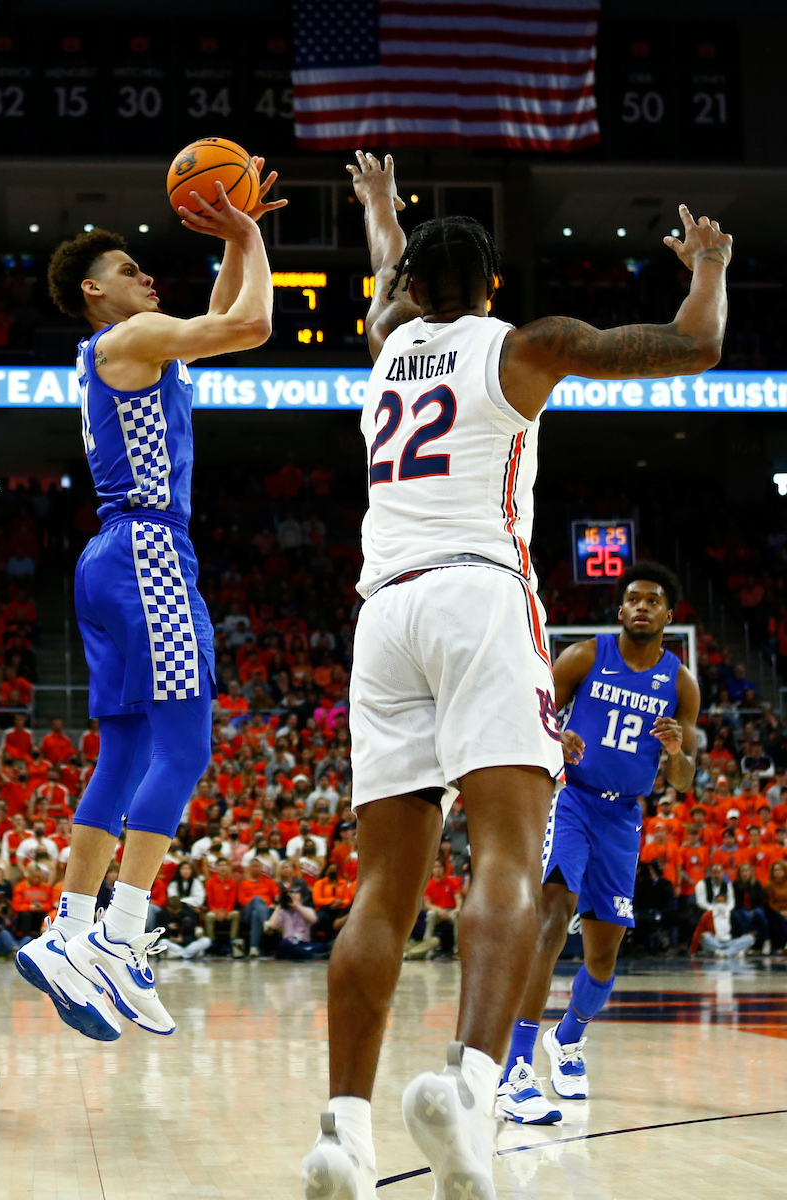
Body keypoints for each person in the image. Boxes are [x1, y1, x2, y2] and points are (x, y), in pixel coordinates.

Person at [301, 150, 729, 1200]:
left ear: (407, 295)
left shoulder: (384, 348)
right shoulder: (521, 345)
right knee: (505, 849)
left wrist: (374, 214)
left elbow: (390, 279)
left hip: (382, 612)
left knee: (380, 891)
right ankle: (472, 1082)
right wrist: (708, 267)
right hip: (477, 595)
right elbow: (694, 346)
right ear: (489, 287)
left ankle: (341, 1134)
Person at [16, 164, 284, 1043]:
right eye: (131, 270)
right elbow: (248, 324)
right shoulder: (131, 342)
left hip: (109, 557)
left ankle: (70, 929)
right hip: (150, 553)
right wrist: (243, 235)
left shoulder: (121, 351)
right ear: (95, 291)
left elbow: (211, 318)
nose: (148, 277)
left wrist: (234, 244)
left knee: (126, 752)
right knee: (187, 743)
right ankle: (123, 937)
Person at [497, 562, 700, 1125]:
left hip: (625, 818)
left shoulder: (681, 684)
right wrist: (555, 735)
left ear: (668, 615)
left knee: (605, 956)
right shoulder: (585, 656)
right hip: (574, 801)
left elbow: (683, 782)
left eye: (652, 601)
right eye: (632, 599)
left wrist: (678, 753)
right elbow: (532, 716)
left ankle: (567, 1040)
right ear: (620, 610)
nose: (641, 607)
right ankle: (515, 1069)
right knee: (552, 915)